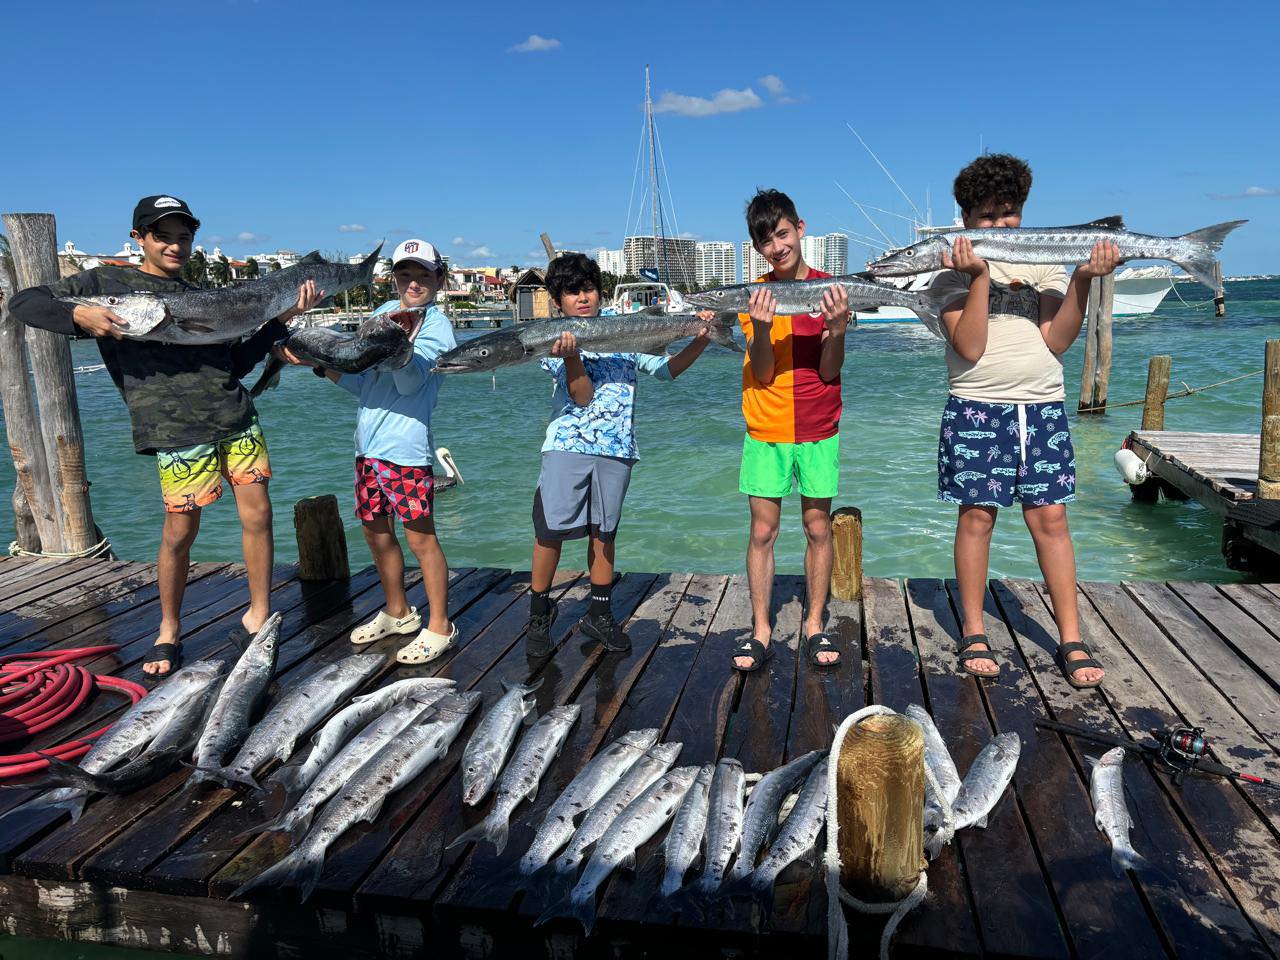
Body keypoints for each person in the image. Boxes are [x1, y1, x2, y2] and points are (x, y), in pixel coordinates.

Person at [10, 195, 320, 675]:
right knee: (181, 531)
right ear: (139, 238)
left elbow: (234, 364)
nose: (175, 245)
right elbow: (26, 301)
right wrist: (81, 316)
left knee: (258, 516)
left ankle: (258, 613)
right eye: (163, 235)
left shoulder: (200, 293)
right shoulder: (103, 284)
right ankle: (169, 627)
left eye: (183, 236)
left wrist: (278, 324)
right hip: (173, 428)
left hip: (234, 414)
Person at [930, 154, 1116, 688]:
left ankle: (1071, 635)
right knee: (977, 518)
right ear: (965, 219)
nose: (999, 225)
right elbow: (970, 343)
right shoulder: (948, 276)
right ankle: (973, 629)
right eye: (986, 217)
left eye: (1008, 214)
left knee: (1052, 520)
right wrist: (981, 276)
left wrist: (1082, 277)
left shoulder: (1042, 266)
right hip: (976, 407)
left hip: (1041, 408)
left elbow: (1056, 340)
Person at [281, 239, 458, 665]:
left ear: (438, 279)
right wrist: (320, 365)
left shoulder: (436, 326)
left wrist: (398, 349)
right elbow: (362, 383)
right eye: (405, 274)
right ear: (394, 277)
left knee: (421, 538)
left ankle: (440, 625)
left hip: (407, 450)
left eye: (423, 275)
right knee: (377, 533)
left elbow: (411, 384)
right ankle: (398, 612)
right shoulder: (382, 316)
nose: (413, 283)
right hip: (368, 447)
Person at [525, 253, 711, 657]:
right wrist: (572, 354)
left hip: (616, 448)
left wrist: (700, 341)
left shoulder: (622, 330)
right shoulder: (550, 340)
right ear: (558, 301)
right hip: (566, 448)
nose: (582, 298)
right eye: (572, 292)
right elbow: (582, 395)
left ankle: (599, 614)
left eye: (588, 289)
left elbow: (667, 370)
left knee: (603, 534)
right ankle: (539, 614)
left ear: (600, 291)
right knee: (550, 532)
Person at [734, 189, 850, 673]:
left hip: (820, 424)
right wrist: (761, 330)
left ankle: (815, 622)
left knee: (818, 527)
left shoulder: (832, 290)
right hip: (766, 425)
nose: (777, 247)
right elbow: (761, 372)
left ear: (800, 228)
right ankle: (761, 629)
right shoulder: (754, 297)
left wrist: (838, 329)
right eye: (766, 241)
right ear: (758, 248)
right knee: (763, 530)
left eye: (782, 234)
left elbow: (829, 371)